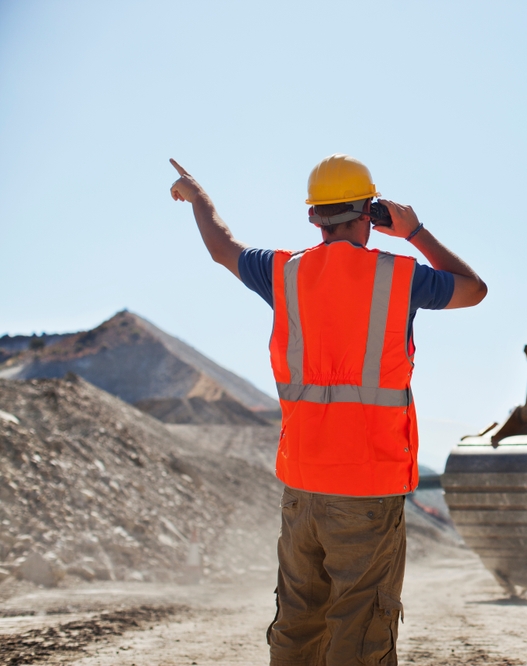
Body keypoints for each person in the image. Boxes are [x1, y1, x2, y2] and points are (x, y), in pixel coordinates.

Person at [169, 154, 487, 666]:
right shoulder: (399, 275)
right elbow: (474, 290)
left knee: (299, 625)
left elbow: (222, 248)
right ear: (371, 212)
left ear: (314, 216)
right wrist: (415, 231)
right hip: (368, 488)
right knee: (360, 631)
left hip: (302, 487)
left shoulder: (283, 272)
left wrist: (196, 195)